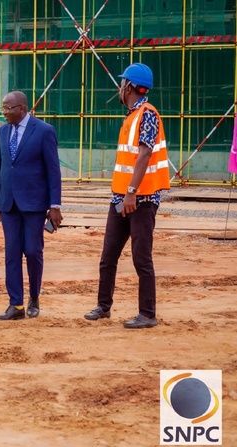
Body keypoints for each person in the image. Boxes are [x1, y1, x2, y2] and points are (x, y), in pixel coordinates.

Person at [84, 63, 170, 329]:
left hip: (140, 200)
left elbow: (144, 154)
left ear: (129, 86)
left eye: (122, 84)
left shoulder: (147, 114)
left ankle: (147, 314)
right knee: (108, 255)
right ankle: (104, 306)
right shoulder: (132, 116)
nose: (120, 89)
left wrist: (131, 193)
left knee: (141, 258)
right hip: (120, 198)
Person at [0, 91, 62, 321]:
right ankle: (16, 305)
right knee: (12, 253)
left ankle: (34, 296)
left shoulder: (44, 131)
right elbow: (1, 169)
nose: (3, 112)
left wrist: (54, 205)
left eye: (7, 108)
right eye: (2, 108)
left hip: (34, 204)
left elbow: (53, 171)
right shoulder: (2, 132)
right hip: (8, 204)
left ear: (21, 108)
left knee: (32, 251)